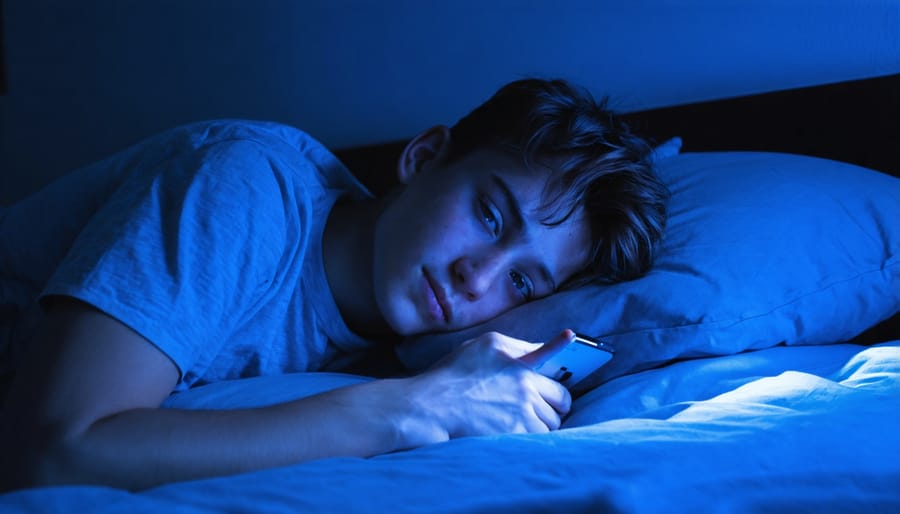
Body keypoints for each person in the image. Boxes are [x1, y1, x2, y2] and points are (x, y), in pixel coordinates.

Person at [0, 78, 668, 490]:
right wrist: (409, 409)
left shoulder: (408, 342)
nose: (479, 276)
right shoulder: (245, 186)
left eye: (523, 280)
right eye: (488, 214)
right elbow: (55, 450)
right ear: (423, 157)